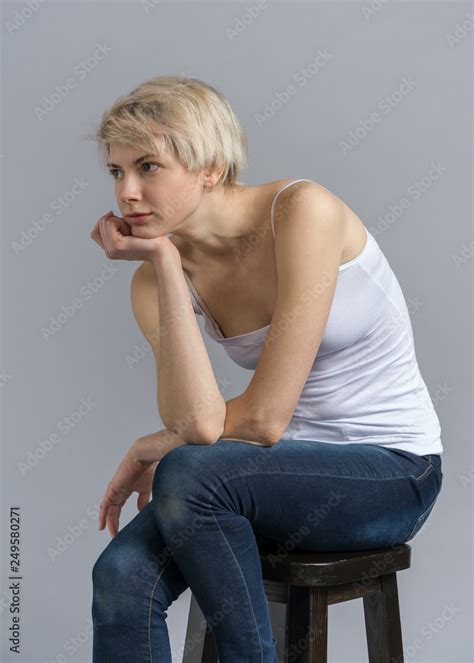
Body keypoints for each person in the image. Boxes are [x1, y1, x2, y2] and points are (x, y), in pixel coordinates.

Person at [87, 75, 444, 662]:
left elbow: (264, 419)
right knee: (121, 574)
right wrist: (166, 263)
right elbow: (201, 424)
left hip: (392, 473)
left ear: (211, 167)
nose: (126, 192)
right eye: (115, 171)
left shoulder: (302, 212)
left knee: (189, 474)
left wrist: (154, 445)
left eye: (148, 166)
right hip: (268, 483)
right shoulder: (153, 281)